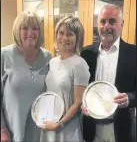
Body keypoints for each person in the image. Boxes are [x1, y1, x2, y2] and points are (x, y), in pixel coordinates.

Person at [80, 4, 136, 142]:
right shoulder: (86, 54)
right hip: (91, 130)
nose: (107, 26)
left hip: (120, 130)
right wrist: (82, 103)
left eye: (112, 21)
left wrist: (129, 98)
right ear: (97, 24)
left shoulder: (133, 53)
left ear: (121, 24)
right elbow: (81, 89)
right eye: (103, 21)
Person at [1, 11, 52, 142]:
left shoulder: (48, 57)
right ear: (17, 30)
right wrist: (2, 129)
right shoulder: (4, 55)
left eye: (35, 28)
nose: (30, 33)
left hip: (41, 132)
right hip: (12, 133)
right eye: (25, 28)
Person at [38, 16, 90, 142]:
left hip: (67, 129)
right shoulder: (52, 61)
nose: (64, 38)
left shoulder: (79, 64)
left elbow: (78, 103)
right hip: (50, 122)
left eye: (70, 34)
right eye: (61, 33)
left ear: (77, 38)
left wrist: (59, 124)